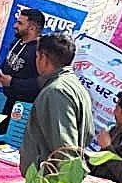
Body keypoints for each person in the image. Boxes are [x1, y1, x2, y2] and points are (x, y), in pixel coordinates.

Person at [18, 33, 94, 174]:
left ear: (43, 58)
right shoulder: (75, 86)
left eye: (37, 56)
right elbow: (88, 134)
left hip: (51, 182)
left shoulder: (56, 92)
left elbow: (65, 151)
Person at [0, 8, 44, 114]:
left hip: (21, 109)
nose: (15, 26)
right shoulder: (16, 41)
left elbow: (40, 84)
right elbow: (7, 64)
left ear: (32, 28)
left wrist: (12, 82)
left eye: (20, 23)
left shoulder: (40, 52)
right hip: (4, 101)